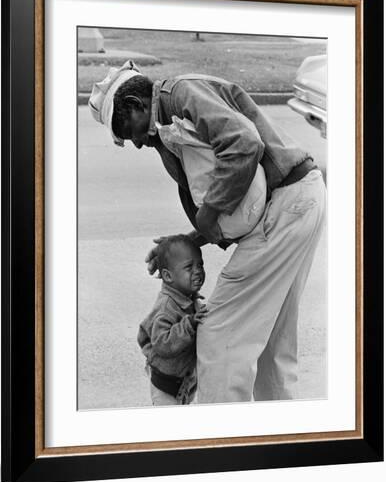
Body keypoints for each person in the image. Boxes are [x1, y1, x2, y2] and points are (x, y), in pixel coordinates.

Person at [89, 59, 326, 403]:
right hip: (300, 201)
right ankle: (276, 439)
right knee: (272, 343)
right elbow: (229, 203)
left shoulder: (181, 93)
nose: (137, 143)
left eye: (130, 132)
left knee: (219, 337)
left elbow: (243, 144)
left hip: (285, 208)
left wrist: (209, 214)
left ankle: (222, 445)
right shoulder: (168, 118)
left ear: (135, 105)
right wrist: (190, 239)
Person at [136, 235, 208, 405]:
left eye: (200, 265)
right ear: (168, 277)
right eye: (189, 267)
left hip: (184, 380)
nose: (198, 271)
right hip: (165, 385)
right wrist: (189, 324)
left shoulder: (187, 298)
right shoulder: (166, 308)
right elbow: (162, 343)